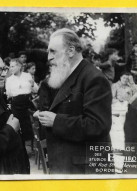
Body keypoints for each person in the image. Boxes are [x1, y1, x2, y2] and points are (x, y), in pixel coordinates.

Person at [34, 28, 112, 174]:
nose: (48, 57)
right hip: (68, 164)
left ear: (70, 51)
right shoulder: (68, 74)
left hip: (84, 170)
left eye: (53, 51)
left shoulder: (94, 78)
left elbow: (98, 125)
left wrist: (56, 121)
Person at [6, 59, 35, 142]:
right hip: (16, 103)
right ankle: (21, 144)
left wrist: (32, 84)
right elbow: (9, 93)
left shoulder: (27, 75)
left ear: (19, 66)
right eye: (10, 66)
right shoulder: (9, 79)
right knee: (19, 124)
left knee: (30, 123)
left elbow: (35, 89)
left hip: (27, 102)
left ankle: (33, 145)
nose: (11, 68)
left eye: (13, 66)